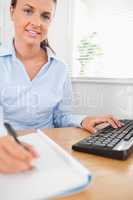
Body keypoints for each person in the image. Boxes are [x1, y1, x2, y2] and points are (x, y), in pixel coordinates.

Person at [0, 0, 123, 174]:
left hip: (49, 149)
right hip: (7, 150)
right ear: (12, 11)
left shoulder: (60, 67)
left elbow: (61, 115)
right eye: (28, 11)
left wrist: (83, 120)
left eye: (45, 16)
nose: (36, 23)